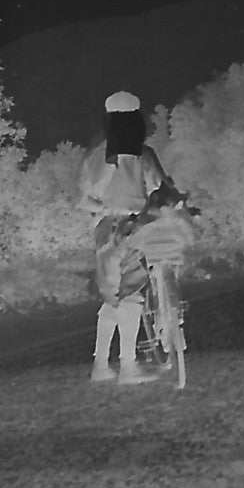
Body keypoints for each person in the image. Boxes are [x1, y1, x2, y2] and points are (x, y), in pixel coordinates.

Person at [80, 90, 176, 384]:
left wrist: (108, 208)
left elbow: (83, 200)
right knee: (132, 294)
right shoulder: (143, 155)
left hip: (104, 230)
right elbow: (165, 187)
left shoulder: (98, 157)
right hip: (132, 228)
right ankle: (128, 366)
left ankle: (100, 366)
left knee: (113, 296)